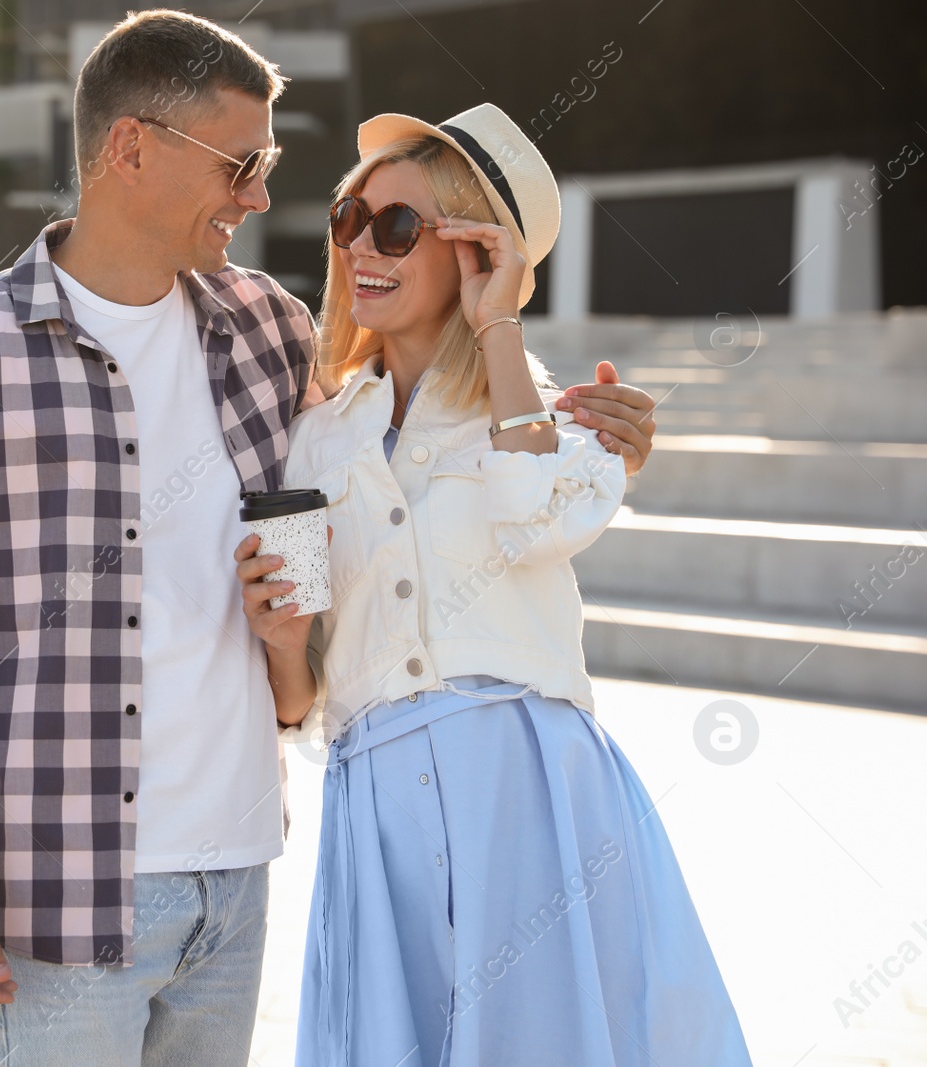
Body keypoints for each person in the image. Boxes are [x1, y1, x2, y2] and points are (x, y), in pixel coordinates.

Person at [0, 12, 658, 1065]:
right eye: (242, 163)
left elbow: (413, 445)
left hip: (237, 878)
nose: (262, 196)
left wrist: (594, 444)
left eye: (271, 165)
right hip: (62, 881)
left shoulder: (268, 332)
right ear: (131, 148)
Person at [235, 103, 749, 1066]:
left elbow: (538, 519)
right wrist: (277, 636)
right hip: (377, 795)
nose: (361, 248)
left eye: (398, 226)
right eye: (351, 220)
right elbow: (298, 698)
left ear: (476, 249)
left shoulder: (568, 424)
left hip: (530, 791)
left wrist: (498, 324)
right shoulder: (315, 441)